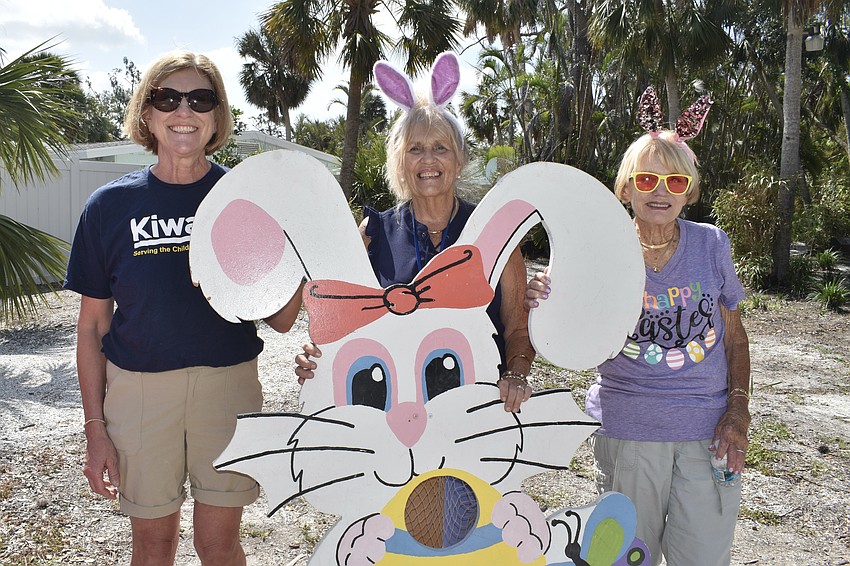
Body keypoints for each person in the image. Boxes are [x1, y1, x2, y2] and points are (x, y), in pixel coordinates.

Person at [64, 51, 301, 565]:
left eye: (200, 99)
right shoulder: (108, 207)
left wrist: (301, 246)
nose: (184, 111)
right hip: (140, 393)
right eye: (167, 98)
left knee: (218, 546)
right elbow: (92, 327)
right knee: (154, 546)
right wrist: (94, 428)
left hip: (227, 388)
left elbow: (281, 319)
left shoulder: (244, 200)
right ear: (147, 114)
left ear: (217, 116)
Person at [526, 87, 751, 566]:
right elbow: (560, 325)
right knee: (630, 557)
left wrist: (738, 410)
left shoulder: (712, 244)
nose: (660, 191)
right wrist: (540, 299)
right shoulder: (600, 250)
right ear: (625, 188)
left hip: (708, 432)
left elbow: (734, 334)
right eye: (646, 178)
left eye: (675, 181)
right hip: (628, 429)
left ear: (689, 191)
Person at [295, 64, 534, 413]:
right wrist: (317, 360)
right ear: (400, 162)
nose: (428, 160)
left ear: (460, 159)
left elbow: (518, 329)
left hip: (479, 414)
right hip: (393, 418)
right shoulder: (372, 234)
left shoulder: (494, 233)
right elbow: (341, 325)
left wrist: (516, 373)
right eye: (415, 149)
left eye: (441, 148)